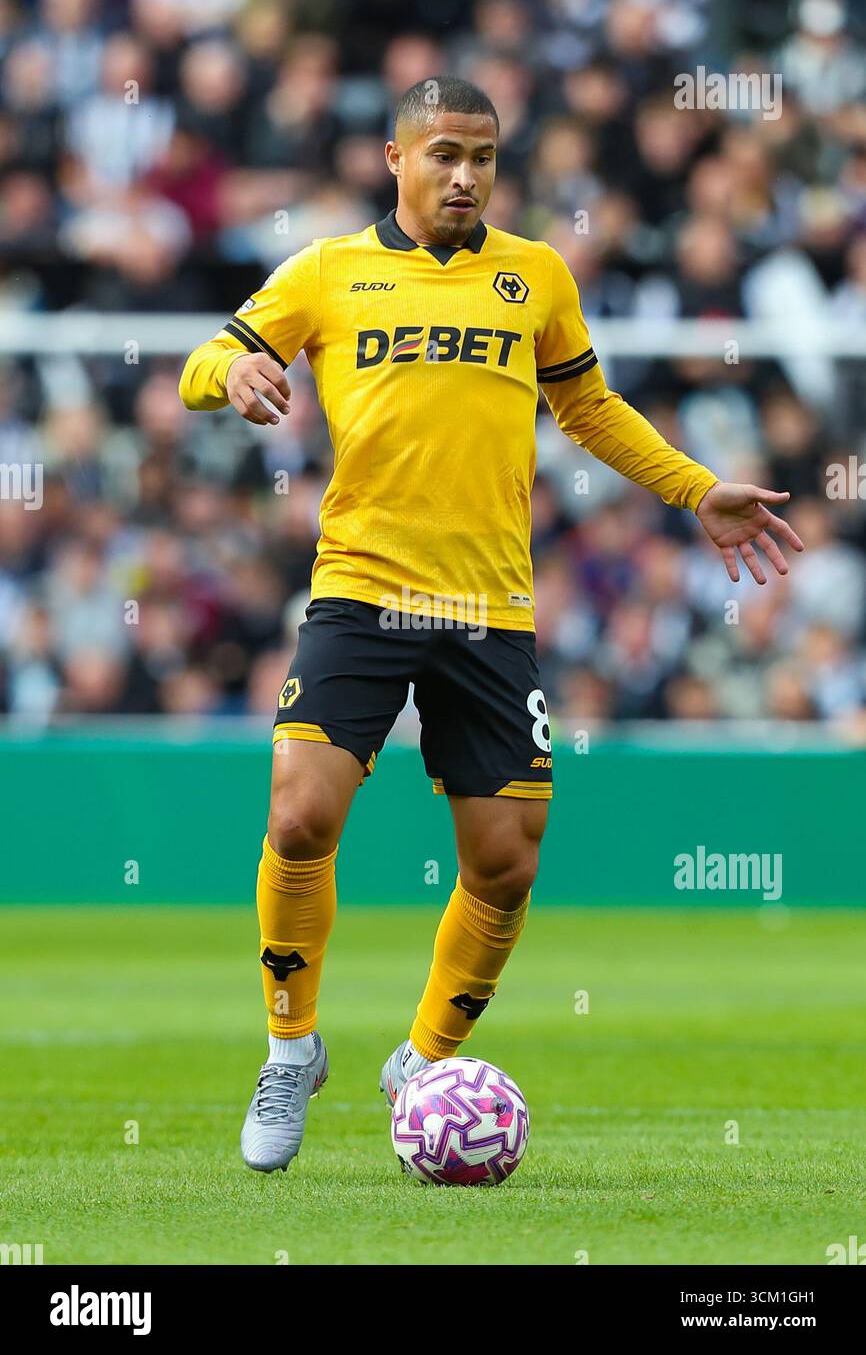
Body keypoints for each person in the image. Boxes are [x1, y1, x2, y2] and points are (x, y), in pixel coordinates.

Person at [179, 76, 804, 1174]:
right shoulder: (328, 272)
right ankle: (290, 1046)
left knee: (505, 862)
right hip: (361, 591)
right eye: (442, 155)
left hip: (488, 605)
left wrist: (694, 488)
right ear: (394, 158)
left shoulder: (534, 277)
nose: (463, 174)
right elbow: (201, 358)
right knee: (297, 816)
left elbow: (590, 408)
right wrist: (232, 370)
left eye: (481, 156)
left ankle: (423, 1059)